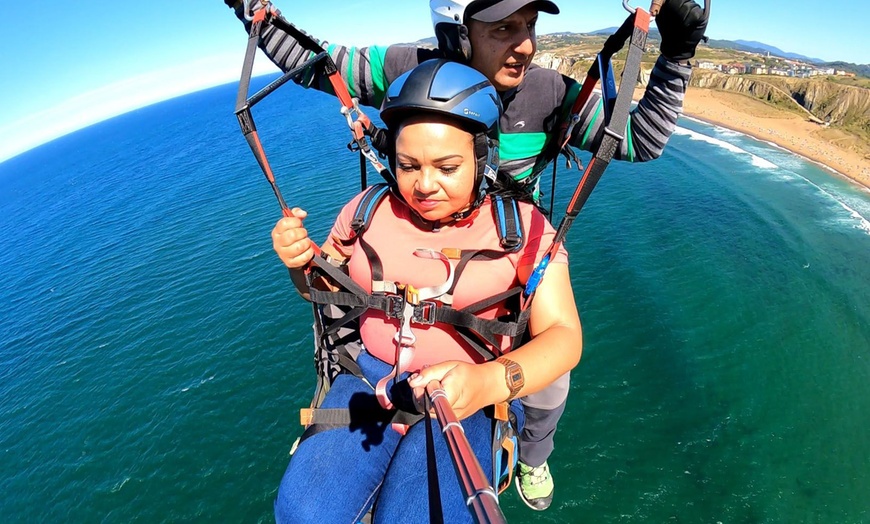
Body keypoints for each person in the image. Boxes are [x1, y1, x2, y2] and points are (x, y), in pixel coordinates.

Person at [229, 0, 708, 510]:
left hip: (508, 260)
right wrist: (249, 8)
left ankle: (534, 452)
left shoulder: (546, 94)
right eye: (504, 28)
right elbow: (317, 62)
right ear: (460, 32)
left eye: (529, 26)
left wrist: (678, 49)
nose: (524, 45)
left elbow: (637, 138)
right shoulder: (407, 74)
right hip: (407, 288)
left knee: (546, 381)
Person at [269, 59, 582, 523]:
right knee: (301, 513)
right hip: (368, 377)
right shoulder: (365, 211)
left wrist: (485, 384)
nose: (425, 185)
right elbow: (320, 292)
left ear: (481, 158)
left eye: (447, 167)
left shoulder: (522, 229)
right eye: (408, 165)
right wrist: (300, 263)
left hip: (468, 391)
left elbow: (563, 334)